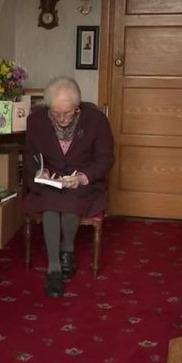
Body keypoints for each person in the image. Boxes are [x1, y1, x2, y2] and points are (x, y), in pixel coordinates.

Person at [24, 77, 114, 298]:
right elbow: (29, 156)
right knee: (51, 204)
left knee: (71, 199)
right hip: (50, 181)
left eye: (68, 113)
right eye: (56, 114)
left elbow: (105, 159)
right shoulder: (36, 121)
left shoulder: (96, 121)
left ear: (77, 107)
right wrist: (39, 171)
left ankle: (68, 250)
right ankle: (55, 268)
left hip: (82, 182)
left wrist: (84, 177)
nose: (62, 119)